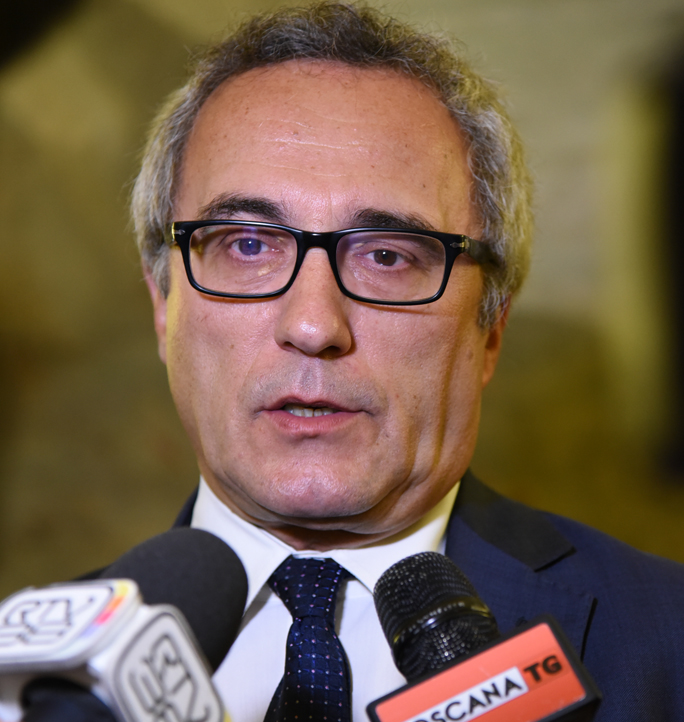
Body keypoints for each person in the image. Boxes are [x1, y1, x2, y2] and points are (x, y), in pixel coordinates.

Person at [129, 3, 684, 721]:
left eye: (387, 257)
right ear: (163, 306)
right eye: (248, 245)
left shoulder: (669, 643)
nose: (313, 325)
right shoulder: (25, 685)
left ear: (491, 329)